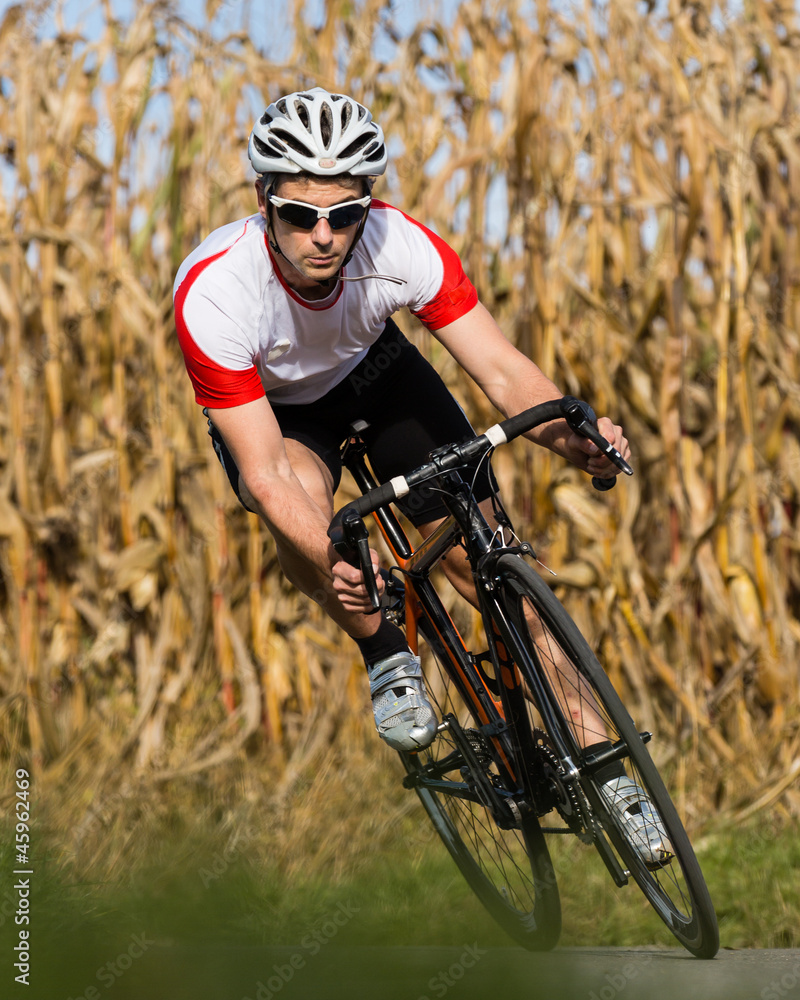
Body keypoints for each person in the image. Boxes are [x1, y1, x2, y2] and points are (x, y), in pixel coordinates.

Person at [173, 87, 670, 867]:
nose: (325, 236)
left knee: (489, 558)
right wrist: (337, 551)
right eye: (301, 214)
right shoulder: (214, 293)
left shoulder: (402, 246)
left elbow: (504, 374)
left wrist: (577, 438)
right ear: (260, 199)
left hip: (379, 378)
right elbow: (266, 473)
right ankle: (385, 654)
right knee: (312, 522)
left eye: (346, 214)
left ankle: (615, 776)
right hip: (283, 414)